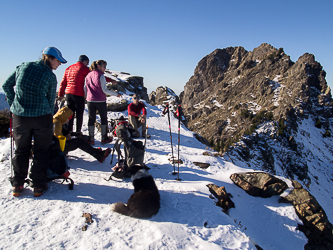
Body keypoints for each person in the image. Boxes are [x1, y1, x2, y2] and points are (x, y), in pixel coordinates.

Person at [2, 46, 67, 197]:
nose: (58, 65)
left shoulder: (22, 67)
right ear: (49, 58)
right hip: (41, 117)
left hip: (20, 117)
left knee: (21, 150)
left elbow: (6, 85)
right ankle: (38, 186)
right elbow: (51, 100)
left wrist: (13, 105)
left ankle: (17, 184)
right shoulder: (50, 76)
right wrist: (49, 116)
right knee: (41, 151)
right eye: (58, 61)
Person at [84, 60, 121, 145]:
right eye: (104, 67)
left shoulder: (88, 75)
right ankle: (104, 138)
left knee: (91, 119)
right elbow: (105, 90)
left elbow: (85, 87)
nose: (105, 69)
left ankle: (91, 138)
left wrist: (87, 97)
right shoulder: (101, 76)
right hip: (100, 100)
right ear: (99, 66)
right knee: (103, 118)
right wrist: (116, 94)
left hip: (90, 100)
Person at [58, 55, 90, 134]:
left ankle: (69, 130)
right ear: (85, 61)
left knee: (70, 113)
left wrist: (60, 94)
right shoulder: (84, 69)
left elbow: (63, 82)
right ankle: (78, 131)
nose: (87, 64)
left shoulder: (68, 68)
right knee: (79, 113)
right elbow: (95, 76)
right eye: (87, 63)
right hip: (79, 93)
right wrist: (109, 80)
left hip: (68, 94)